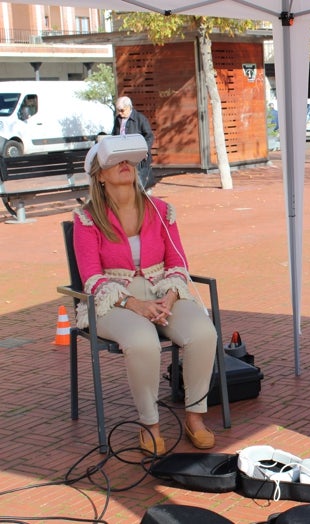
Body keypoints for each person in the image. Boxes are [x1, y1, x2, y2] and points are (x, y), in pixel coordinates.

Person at [73, 134, 218, 455]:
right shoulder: (86, 219)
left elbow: (178, 261)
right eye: (115, 161)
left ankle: (195, 418)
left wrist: (169, 295)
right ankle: (149, 424)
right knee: (142, 342)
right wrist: (133, 303)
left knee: (203, 333)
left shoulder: (161, 209)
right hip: (113, 299)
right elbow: (91, 277)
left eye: (129, 160)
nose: (125, 165)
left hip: (163, 290)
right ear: (100, 175)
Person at [112, 96, 156, 190]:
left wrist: (144, 150)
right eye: (118, 110)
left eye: (122, 110)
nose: (120, 113)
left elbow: (149, 136)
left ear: (129, 107)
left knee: (141, 185)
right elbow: (114, 136)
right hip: (124, 156)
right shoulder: (118, 119)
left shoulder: (140, 118)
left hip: (139, 158)